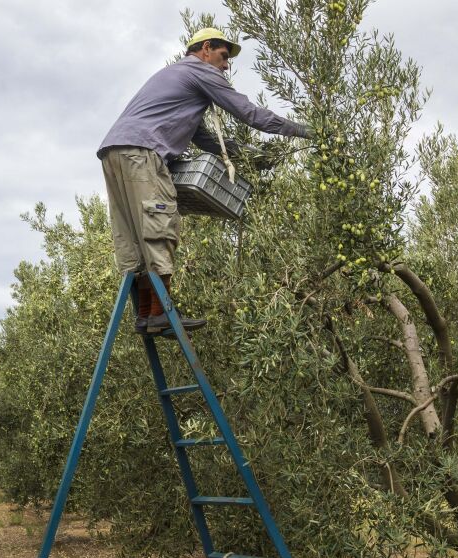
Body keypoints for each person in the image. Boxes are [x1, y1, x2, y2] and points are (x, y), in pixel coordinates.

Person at [98, 27, 310, 336]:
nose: (226, 66)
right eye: (224, 57)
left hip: (114, 153)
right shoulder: (198, 71)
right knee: (160, 227)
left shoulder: (176, 80)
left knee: (135, 236)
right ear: (206, 49)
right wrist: (306, 131)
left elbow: (208, 140)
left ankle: (147, 314)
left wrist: (253, 158)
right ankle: (160, 313)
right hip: (142, 153)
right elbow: (249, 113)